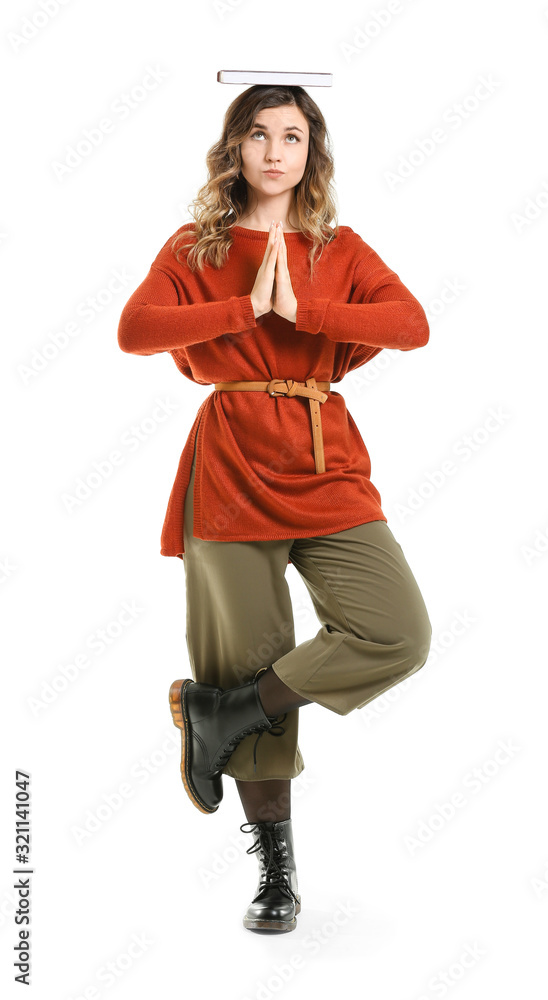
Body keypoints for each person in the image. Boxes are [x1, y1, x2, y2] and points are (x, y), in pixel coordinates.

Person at [117, 85, 432, 934]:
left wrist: (308, 311)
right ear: (235, 147)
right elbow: (136, 329)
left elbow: (412, 325)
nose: (273, 150)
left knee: (397, 630)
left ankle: (229, 711)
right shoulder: (196, 246)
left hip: (327, 461)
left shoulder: (342, 246)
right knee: (245, 650)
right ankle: (277, 873)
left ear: (310, 152)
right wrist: (245, 309)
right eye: (257, 133)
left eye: (292, 135)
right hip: (231, 468)